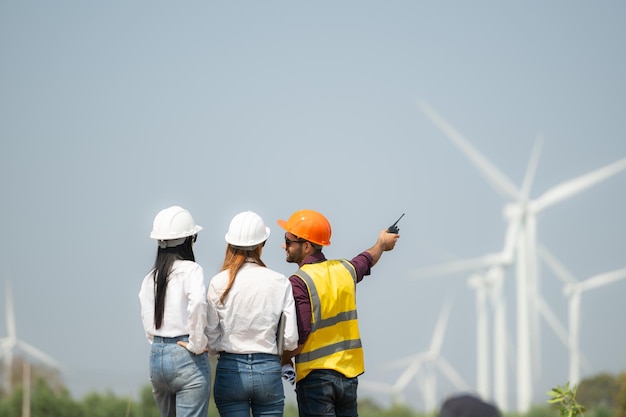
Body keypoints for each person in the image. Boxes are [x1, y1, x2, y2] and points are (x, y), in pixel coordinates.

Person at [277, 209, 400, 417]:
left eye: (288, 240)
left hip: (316, 380)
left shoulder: (299, 282)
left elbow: (301, 334)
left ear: (306, 246)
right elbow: (366, 260)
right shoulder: (344, 269)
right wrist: (381, 244)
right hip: (348, 378)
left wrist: (283, 359)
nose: (284, 245)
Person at [206, 210, 298, 417]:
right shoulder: (280, 282)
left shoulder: (218, 282)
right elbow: (291, 340)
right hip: (268, 369)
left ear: (230, 244)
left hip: (230, 370)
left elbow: (211, 341)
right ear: (261, 245)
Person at [138, 205, 211, 417]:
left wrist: (159, 345)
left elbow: (145, 316)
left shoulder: (150, 277)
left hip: (157, 356)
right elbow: (198, 303)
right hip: (185, 353)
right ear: (188, 240)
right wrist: (198, 344)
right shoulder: (192, 270)